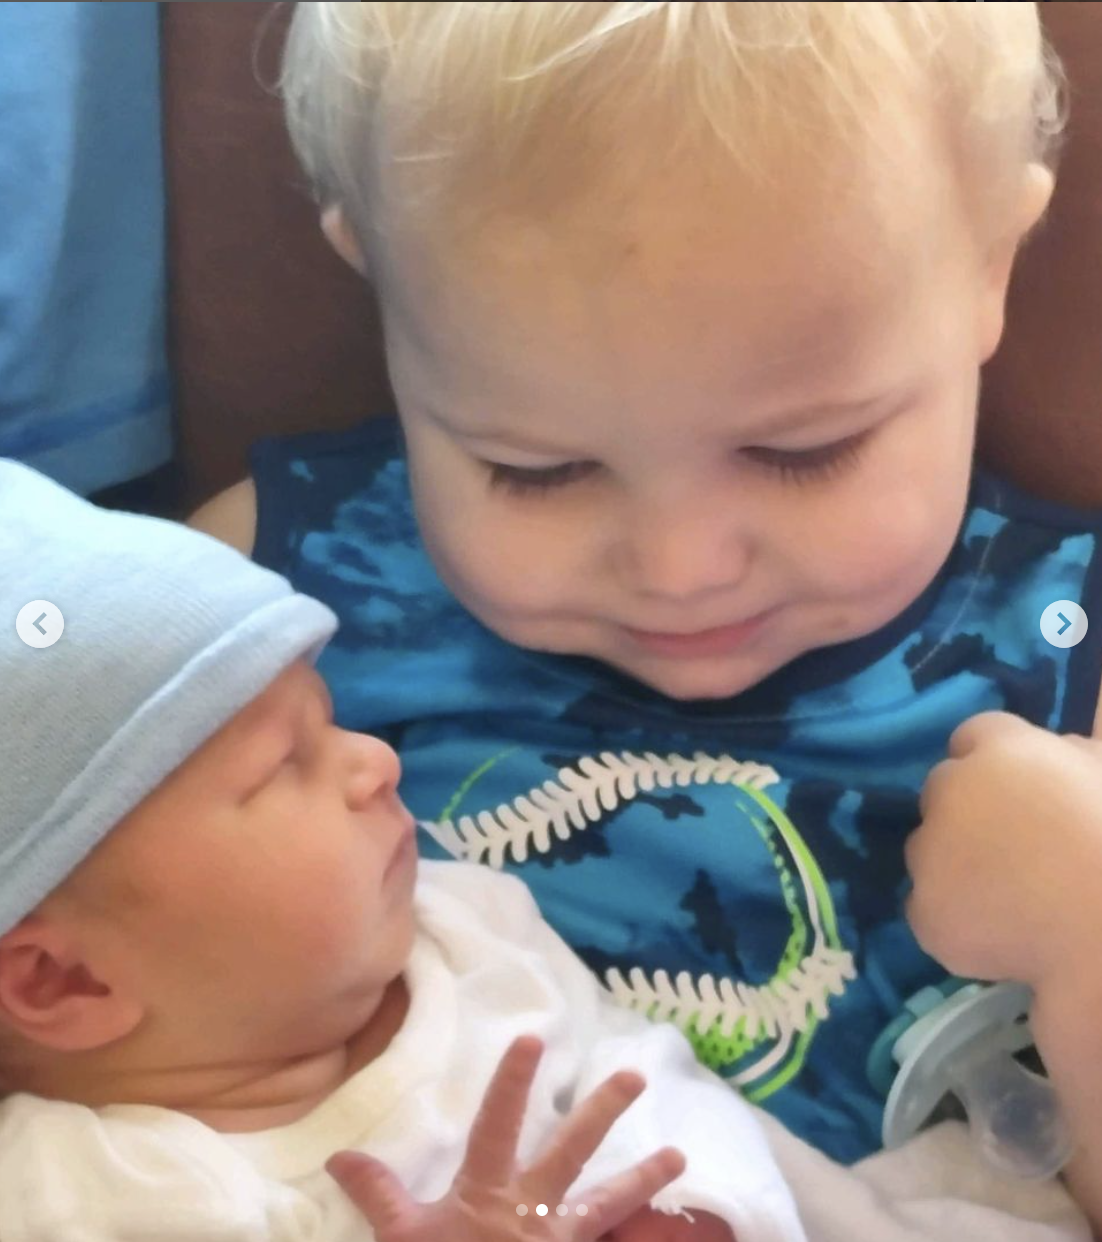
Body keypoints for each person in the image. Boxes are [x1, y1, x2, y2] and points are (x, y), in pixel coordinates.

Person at [189, 1, 1102, 1226]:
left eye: (803, 451)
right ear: (387, 288)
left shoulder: (1068, 666)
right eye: (535, 469)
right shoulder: (256, 590)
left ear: (990, 266)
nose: (680, 571)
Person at [0, 458, 807, 1241]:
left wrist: (680, 1207)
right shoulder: (70, 1197)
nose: (377, 763)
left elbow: (637, 1073)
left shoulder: (466, 930)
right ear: (64, 979)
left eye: (332, 718)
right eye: (285, 764)